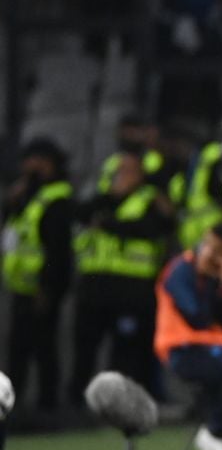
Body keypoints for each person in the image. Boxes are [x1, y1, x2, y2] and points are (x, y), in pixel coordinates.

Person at [71, 147, 175, 402]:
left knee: (127, 352)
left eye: (131, 171)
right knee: (85, 349)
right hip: (93, 288)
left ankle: (124, 405)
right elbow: (81, 214)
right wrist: (111, 199)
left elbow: (153, 228)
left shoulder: (151, 199)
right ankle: (77, 404)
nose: (126, 176)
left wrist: (108, 224)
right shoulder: (100, 198)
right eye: (122, 171)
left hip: (132, 290)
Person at [154, 224, 222, 450]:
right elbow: (197, 317)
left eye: (217, 249)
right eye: (207, 244)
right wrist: (214, 283)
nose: (208, 252)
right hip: (183, 349)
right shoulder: (181, 269)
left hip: (221, 348)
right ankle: (215, 432)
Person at [2, 139, 74, 415]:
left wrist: (48, 287)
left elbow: (57, 250)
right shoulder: (26, 195)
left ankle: (46, 406)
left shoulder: (56, 197)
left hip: (43, 287)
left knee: (43, 348)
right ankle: (14, 406)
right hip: (21, 286)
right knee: (18, 350)